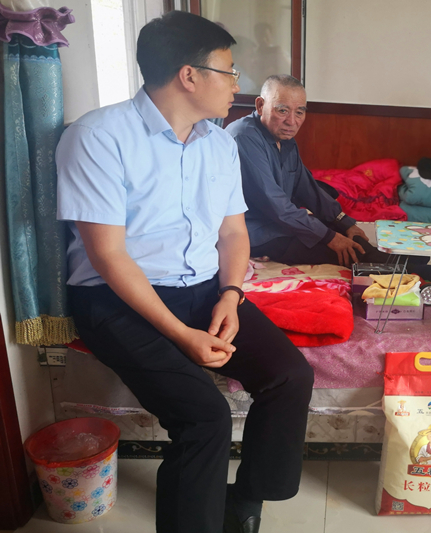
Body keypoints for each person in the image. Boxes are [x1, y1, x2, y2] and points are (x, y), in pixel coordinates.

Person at [56, 12, 313, 533]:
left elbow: (233, 234)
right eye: (230, 71)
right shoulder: (98, 137)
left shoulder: (218, 144)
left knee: (290, 375)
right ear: (189, 75)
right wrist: (181, 335)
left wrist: (231, 295)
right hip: (116, 299)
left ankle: (246, 498)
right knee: (204, 418)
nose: (237, 85)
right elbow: (108, 256)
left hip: (202, 290)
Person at [225, 75, 431, 282]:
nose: (292, 121)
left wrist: (345, 223)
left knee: (340, 231)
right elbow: (276, 206)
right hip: (256, 231)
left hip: (280, 221)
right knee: (339, 249)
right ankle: (413, 272)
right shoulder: (244, 137)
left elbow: (307, 188)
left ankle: (387, 259)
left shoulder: (284, 138)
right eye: (282, 110)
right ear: (260, 105)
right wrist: (330, 237)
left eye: (300, 112)